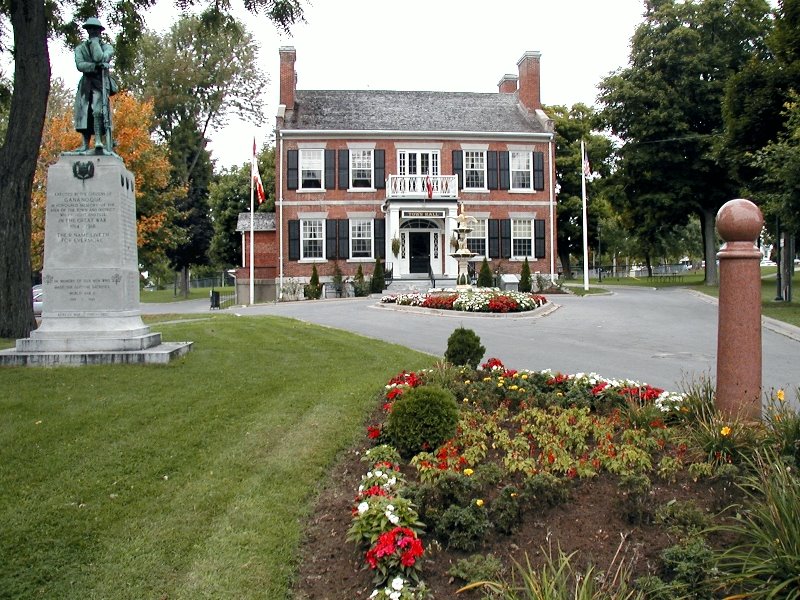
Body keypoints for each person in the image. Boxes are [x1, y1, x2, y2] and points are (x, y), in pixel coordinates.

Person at [73, 17, 115, 153]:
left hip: (101, 83)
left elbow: (100, 56)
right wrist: (96, 65)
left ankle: (98, 140)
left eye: (95, 29)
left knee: (98, 112)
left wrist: (95, 44)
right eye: (90, 29)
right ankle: (85, 144)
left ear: (99, 32)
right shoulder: (80, 49)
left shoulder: (107, 47)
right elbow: (80, 65)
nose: (93, 32)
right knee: (84, 114)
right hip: (86, 85)